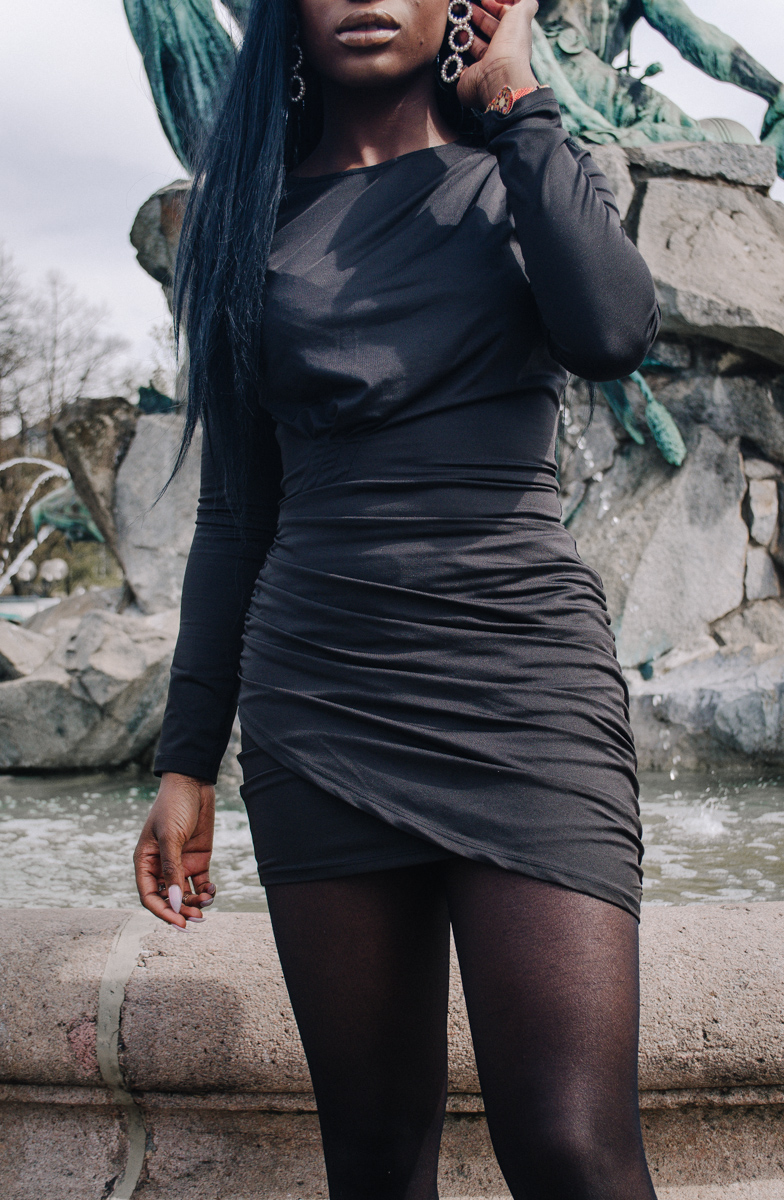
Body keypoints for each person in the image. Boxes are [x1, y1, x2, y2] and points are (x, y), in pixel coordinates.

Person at [133, 0, 661, 1194]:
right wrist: (185, 760)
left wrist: (519, 103)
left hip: (523, 685)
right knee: (373, 1159)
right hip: (317, 703)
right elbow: (233, 518)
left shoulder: (521, 172)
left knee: (575, 1148)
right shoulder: (241, 223)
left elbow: (615, 332)